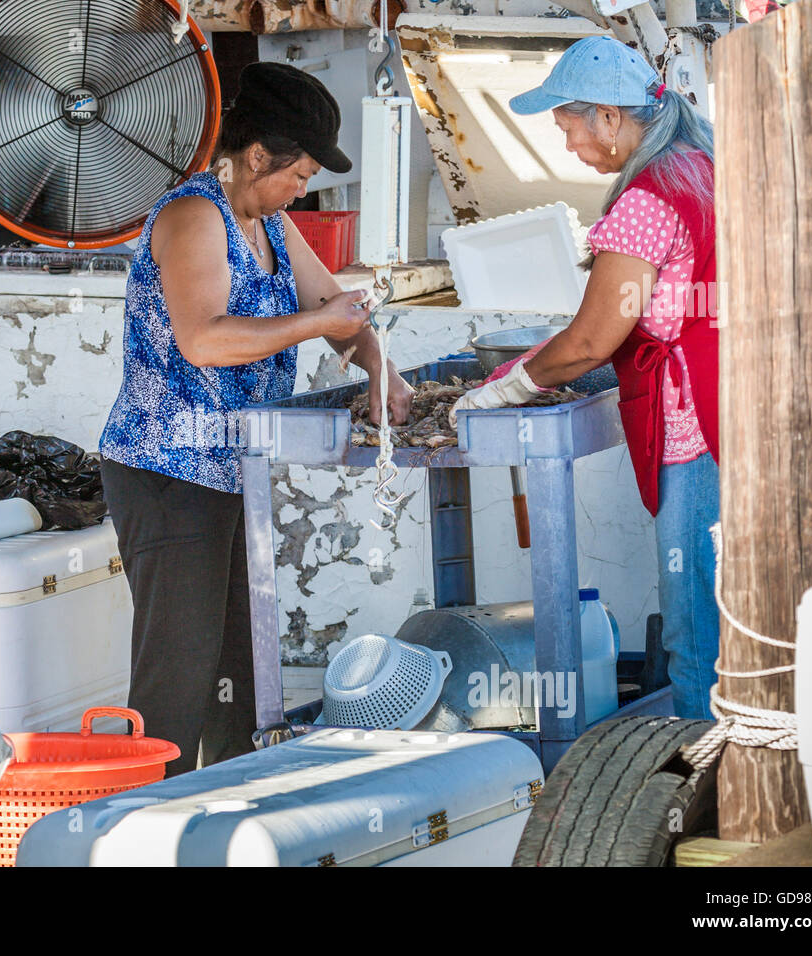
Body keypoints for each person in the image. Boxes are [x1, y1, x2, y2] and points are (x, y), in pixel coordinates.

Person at [98, 62, 413, 774]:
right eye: (297, 173)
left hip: (238, 472)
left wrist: (377, 364)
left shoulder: (270, 222)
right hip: (168, 472)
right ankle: (143, 825)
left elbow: (340, 314)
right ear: (257, 157)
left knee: (240, 676)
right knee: (178, 676)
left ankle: (224, 819)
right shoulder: (192, 215)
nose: (303, 189)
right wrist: (314, 323)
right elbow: (203, 337)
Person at [451, 36, 720, 720]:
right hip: (740, 403)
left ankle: (706, 774)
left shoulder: (648, 199)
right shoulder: (702, 165)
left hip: (695, 425)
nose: (570, 145)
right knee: (734, 600)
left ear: (607, 115)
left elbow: (594, 339)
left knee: (694, 619)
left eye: (569, 127)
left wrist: (504, 388)